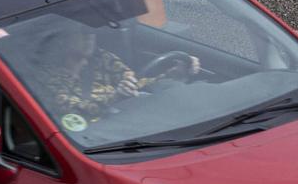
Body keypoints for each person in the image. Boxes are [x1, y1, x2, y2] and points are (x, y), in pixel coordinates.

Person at [27, 24, 201, 130]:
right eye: (82, 32)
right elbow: (72, 110)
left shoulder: (103, 58)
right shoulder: (45, 74)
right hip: (93, 135)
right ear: (63, 40)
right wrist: (116, 96)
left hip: (127, 121)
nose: (89, 36)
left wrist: (172, 76)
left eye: (91, 32)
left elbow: (136, 84)